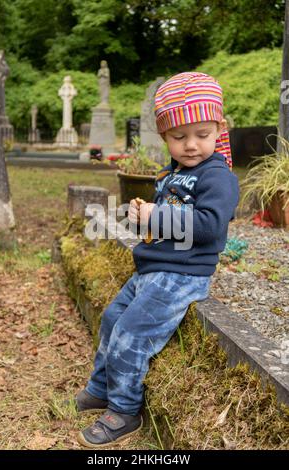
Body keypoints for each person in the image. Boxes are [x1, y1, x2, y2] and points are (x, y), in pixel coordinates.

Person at [76, 72, 240, 448]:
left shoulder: (218, 177)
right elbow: (167, 221)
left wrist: (156, 216)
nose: (192, 145)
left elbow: (210, 226)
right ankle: (101, 388)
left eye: (202, 134)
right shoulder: (173, 174)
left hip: (182, 276)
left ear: (219, 128)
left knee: (133, 335)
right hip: (154, 269)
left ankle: (124, 409)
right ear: (165, 136)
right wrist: (142, 217)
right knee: (113, 319)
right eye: (179, 137)